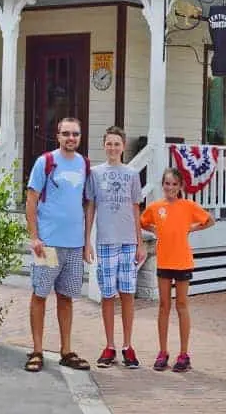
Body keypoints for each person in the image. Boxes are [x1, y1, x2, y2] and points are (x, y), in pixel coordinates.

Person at [24, 117, 91, 373]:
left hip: (73, 245)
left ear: (80, 137)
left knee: (66, 297)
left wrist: (86, 243)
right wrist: (34, 236)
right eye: (66, 134)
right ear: (58, 136)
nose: (71, 138)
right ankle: (37, 350)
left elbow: (87, 204)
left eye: (75, 134)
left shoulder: (84, 164)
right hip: (48, 244)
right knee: (40, 294)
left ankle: (66, 350)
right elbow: (31, 200)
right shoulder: (46, 162)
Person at [140, 167, 215, 372]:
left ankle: (184, 354)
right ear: (162, 185)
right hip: (164, 261)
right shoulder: (156, 207)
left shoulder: (188, 206)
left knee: (182, 305)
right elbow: (142, 221)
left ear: (180, 186)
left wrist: (193, 228)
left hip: (182, 261)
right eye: (167, 183)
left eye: (174, 184)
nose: (170, 187)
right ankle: (162, 352)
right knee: (164, 306)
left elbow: (209, 220)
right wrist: (153, 229)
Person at [84, 126, 146, 369]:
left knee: (127, 294)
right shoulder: (95, 173)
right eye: (109, 143)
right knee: (108, 295)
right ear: (104, 145)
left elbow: (135, 208)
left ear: (123, 147)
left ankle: (127, 345)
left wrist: (140, 243)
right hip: (106, 242)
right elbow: (91, 207)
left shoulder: (131, 174)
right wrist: (87, 239)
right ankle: (109, 345)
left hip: (128, 242)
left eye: (117, 144)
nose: (112, 148)